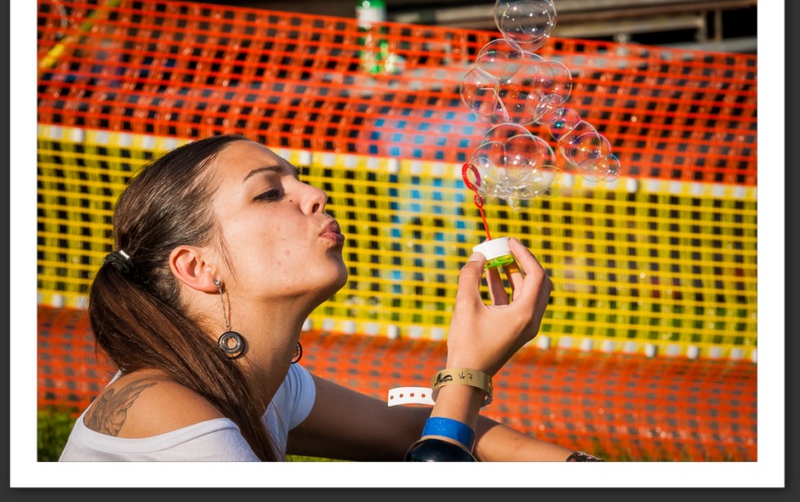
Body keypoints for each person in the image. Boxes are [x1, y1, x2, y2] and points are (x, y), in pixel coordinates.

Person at [59, 133, 602, 462]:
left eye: (298, 182)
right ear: (198, 267)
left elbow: (408, 429)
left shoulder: (263, 383)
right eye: (269, 193)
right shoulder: (170, 417)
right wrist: (466, 373)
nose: (316, 195)